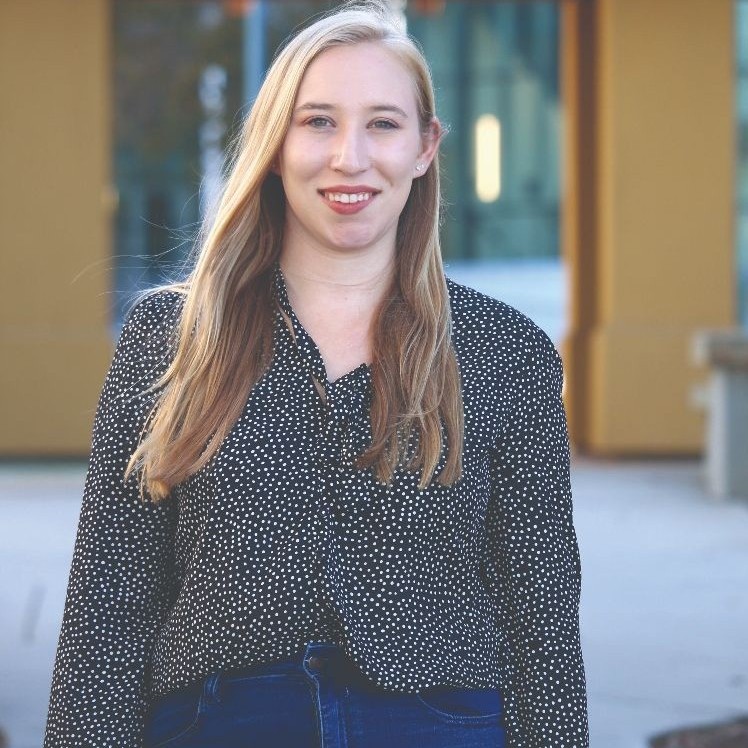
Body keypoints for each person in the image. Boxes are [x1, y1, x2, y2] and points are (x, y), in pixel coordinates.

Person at [44, 1, 588, 746]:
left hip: (440, 725)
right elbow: (108, 611)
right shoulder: (169, 341)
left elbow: (543, 620)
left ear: (427, 146)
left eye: (384, 124)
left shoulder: (506, 352)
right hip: (219, 724)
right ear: (275, 143)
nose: (349, 158)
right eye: (319, 121)